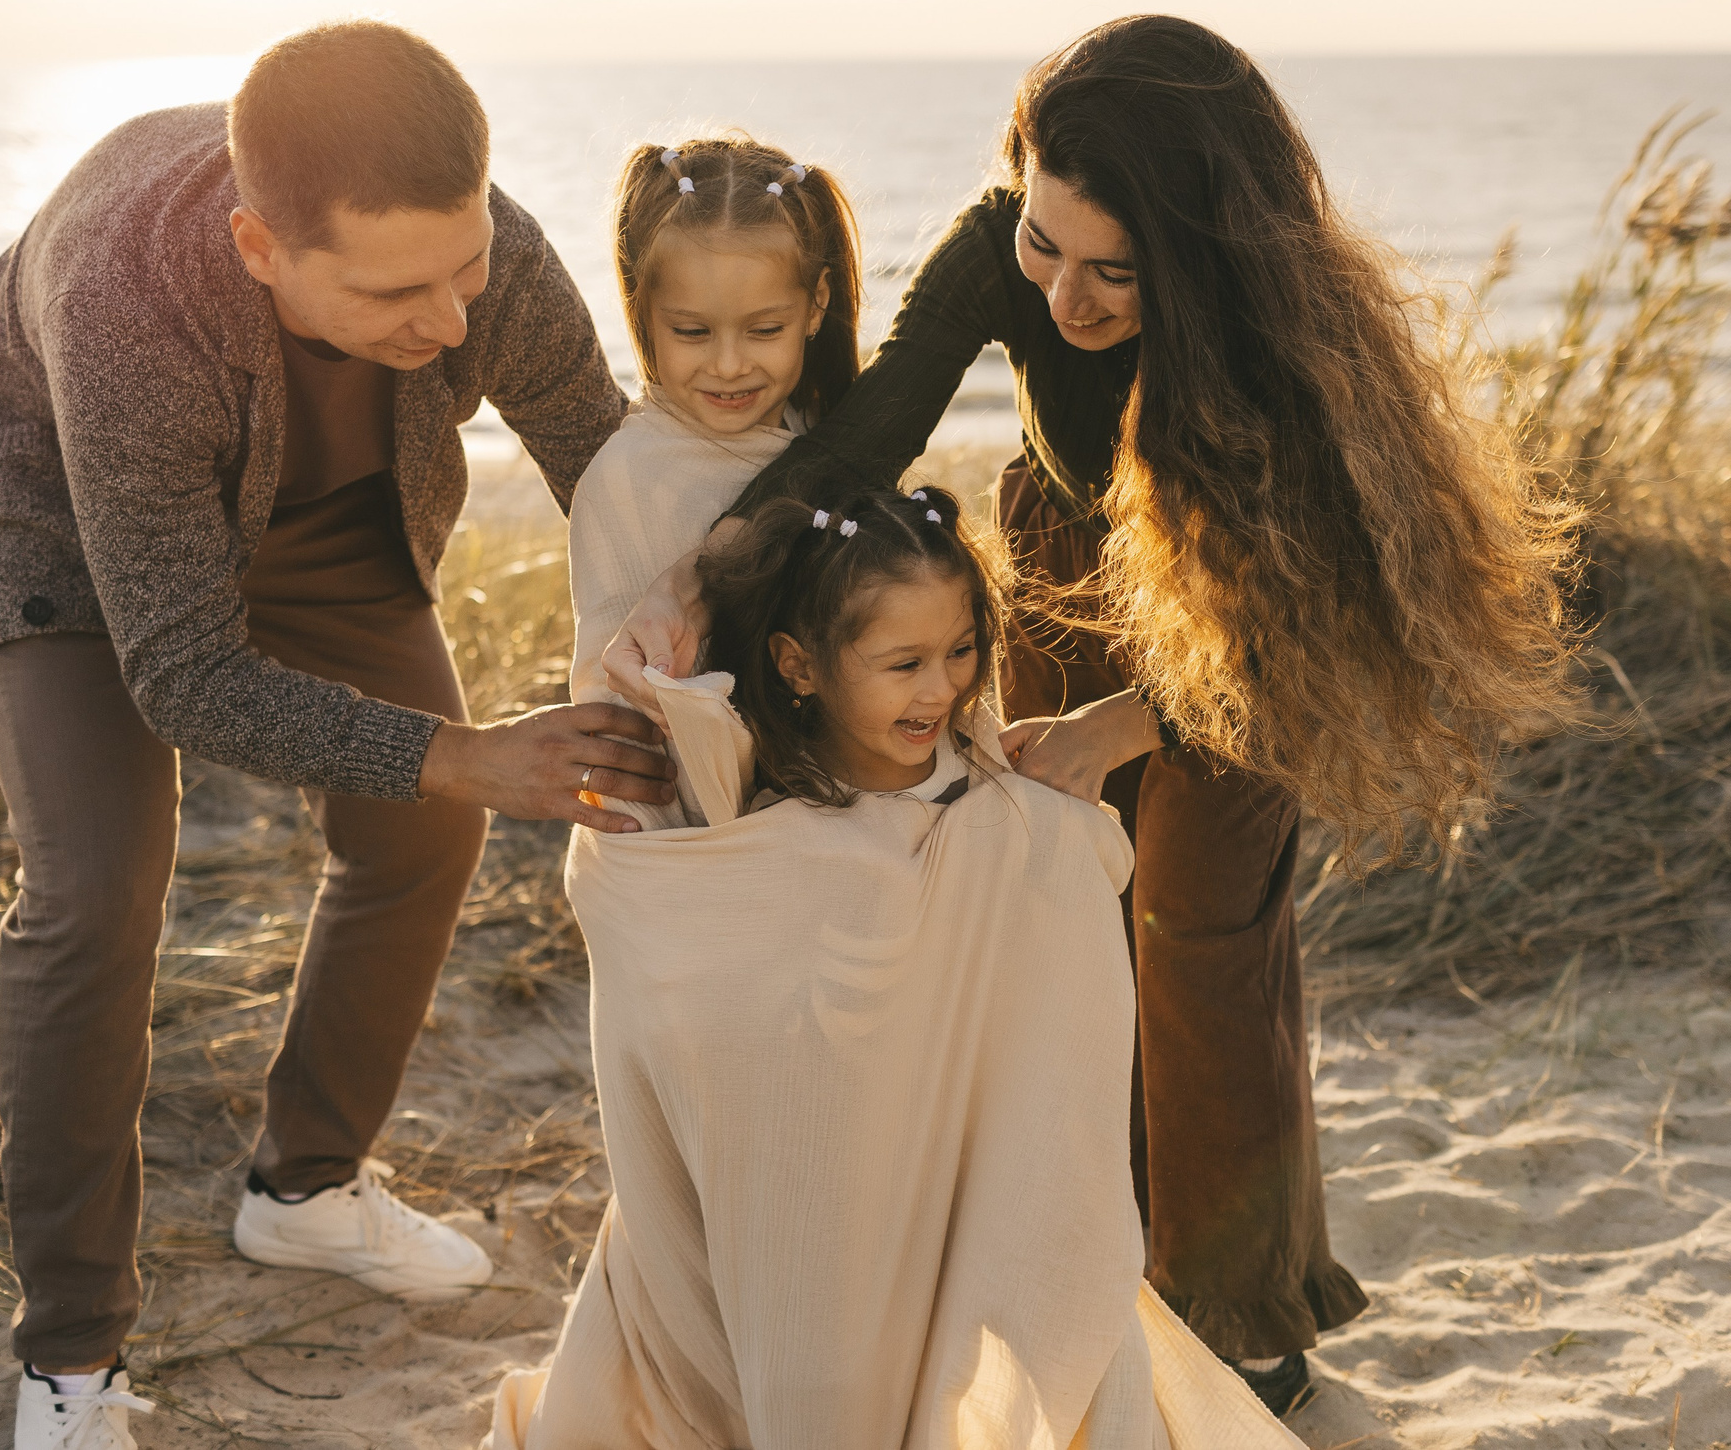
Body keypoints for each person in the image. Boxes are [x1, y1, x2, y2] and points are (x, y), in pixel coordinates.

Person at [604, 16, 1577, 1413]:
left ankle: (1236, 1302)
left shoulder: (1274, 350)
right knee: (1063, 915)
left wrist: (1121, 728)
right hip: (1070, 569)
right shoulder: (998, 246)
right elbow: (872, 426)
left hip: (1246, 622)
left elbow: (1279, 639)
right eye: (1047, 245)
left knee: (1195, 938)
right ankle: (1089, 1252)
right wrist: (712, 567)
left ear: (1199, 253)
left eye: (1115, 270)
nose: (1065, 293)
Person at [0, 20, 676, 1450]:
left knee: (421, 815)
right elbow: (185, 674)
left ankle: (306, 1193)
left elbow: (605, 460)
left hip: (322, 505)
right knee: (94, 891)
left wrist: (743, 628)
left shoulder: (472, 241)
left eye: (466, 270)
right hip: (60, 516)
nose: (452, 322)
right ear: (263, 248)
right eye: (399, 290)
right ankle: (69, 1360)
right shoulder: (129, 301)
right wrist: (469, 747)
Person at [492, 486, 1303, 1448]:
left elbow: (1061, 1042)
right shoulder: (755, 834)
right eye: (903, 663)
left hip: (961, 1201)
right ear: (798, 666)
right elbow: (677, 979)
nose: (940, 688)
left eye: (960, 651)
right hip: (821, 1218)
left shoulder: (1017, 825)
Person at [565, 135, 863, 722]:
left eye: (764, 330)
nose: (728, 366)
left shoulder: (834, 441)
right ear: (644, 310)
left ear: (816, 305)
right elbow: (612, 698)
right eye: (693, 333)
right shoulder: (626, 481)